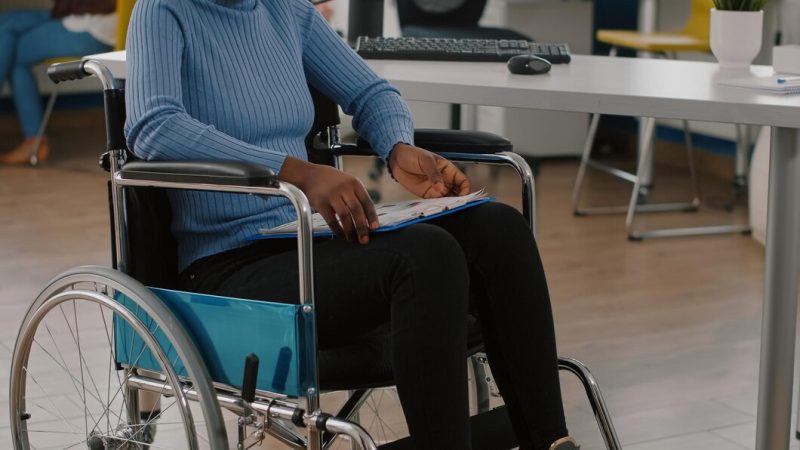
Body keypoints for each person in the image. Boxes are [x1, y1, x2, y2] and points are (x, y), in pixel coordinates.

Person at [125, 0, 578, 449]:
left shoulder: (286, 10)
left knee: (498, 227)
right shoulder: (163, 10)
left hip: (305, 239)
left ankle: (550, 441)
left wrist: (397, 147)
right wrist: (298, 171)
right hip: (227, 264)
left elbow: (371, 93)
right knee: (425, 256)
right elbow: (154, 127)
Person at [0, 0, 116, 164]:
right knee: (6, 25)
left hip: (93, 24)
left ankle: (34, 140)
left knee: (14, 49)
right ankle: (34, 140)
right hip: (90, 17)